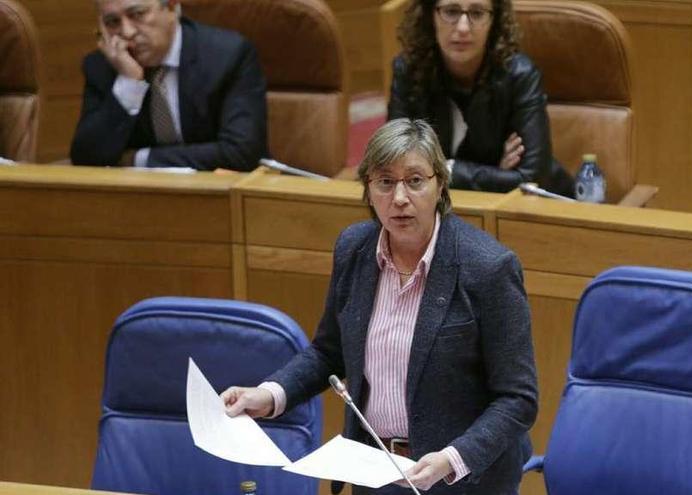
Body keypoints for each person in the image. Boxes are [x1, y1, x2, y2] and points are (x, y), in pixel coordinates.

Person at [221, 118, 538, 494]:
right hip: (374, 474)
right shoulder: (354, 249)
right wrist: (269, 394)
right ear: (368, 190)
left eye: (415, 180)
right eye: (385, 182)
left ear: (440, 185)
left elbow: (518, 398)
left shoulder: (488, 268)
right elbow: (329, 352)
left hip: (461, 482)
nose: (400, 198)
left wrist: (452, 459)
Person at [388, 0, 574, 196]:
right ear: (430, 16)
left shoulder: (520, 75)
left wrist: (449, 169)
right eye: (451, 11)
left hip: (536, 210)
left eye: (477, 13)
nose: (463, 28)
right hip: (447, 209)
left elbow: (531, 178)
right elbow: (393, 163)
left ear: (494, 20)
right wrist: (497, 174)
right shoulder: (408, 71)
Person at [70, 0, 267, 171]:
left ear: (172, 6)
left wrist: (138, 159)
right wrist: (129, 83)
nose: (127, 32)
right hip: (139, 200)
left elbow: (241, 153)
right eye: (112, 22)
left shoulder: (227, 55)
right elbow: (86, 157)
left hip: (220, 194)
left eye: (138, 14)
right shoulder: (103, 66)